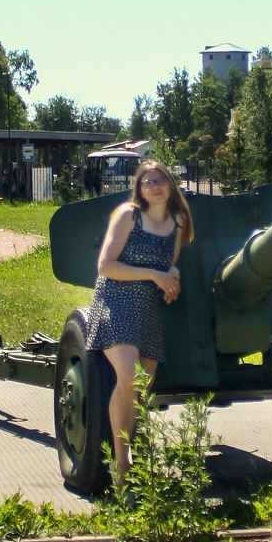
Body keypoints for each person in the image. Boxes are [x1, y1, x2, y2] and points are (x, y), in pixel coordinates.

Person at [85, 160, 194, 479]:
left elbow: (170, 263)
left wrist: (171, 278)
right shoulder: (127, 215)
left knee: (142, 387)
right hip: (116, 301)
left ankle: (138, 453)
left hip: (147, 307)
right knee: (130, 378)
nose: (155, 186)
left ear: (171, 184)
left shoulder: (178, 219)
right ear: (139, 188)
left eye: (161, 180)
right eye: (148, 182)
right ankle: (122, 463)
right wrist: (155, 275)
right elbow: (105, 266)